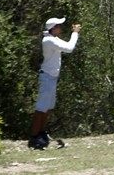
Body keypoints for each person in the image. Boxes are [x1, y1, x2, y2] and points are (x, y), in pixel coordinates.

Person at [29, 17, 81, 150]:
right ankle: (34, 137)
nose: (61, 27)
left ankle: (41, 133)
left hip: (51, 77)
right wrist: (75, 33)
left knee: (47, 107)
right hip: (47, 78)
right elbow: (69, 48)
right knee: (41, 108)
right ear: (53, 28)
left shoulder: (54, 39)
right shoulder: (49, 40)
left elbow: (66, 46)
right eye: (59, 25)